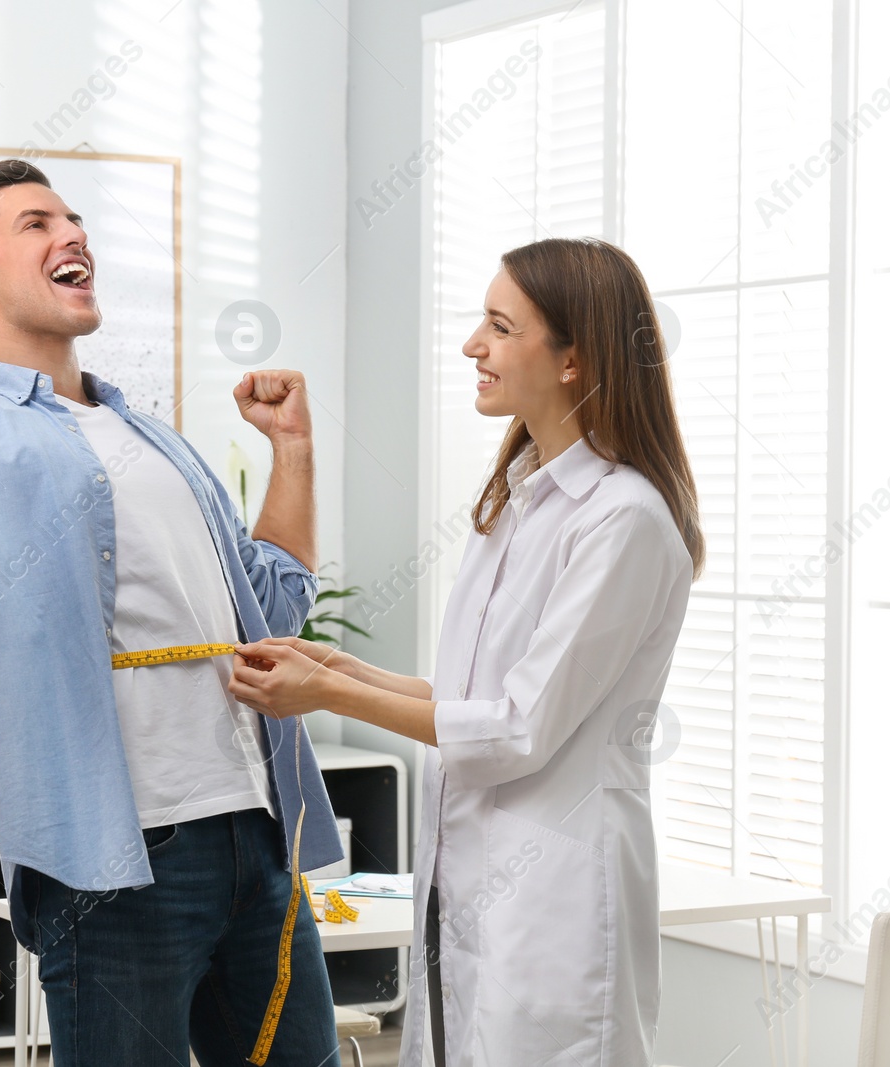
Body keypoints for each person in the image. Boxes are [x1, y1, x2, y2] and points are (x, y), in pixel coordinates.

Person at [0, 159, 343, 1065]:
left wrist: (295, 450)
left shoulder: (157, 438)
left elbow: (274, 602)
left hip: (258, 832)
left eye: (75, 220)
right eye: (38, 223)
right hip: (112, 861)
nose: (73, 235)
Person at [231, 237, 703, 1066]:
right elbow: (469, 695)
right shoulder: (522, 496)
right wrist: (339, 668)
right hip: (472, 878)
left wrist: (329, 695)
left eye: (498, 326)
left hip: (557, 894)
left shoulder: (621, 518)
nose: (470, 346)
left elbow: (517, 728)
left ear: (572, 359)